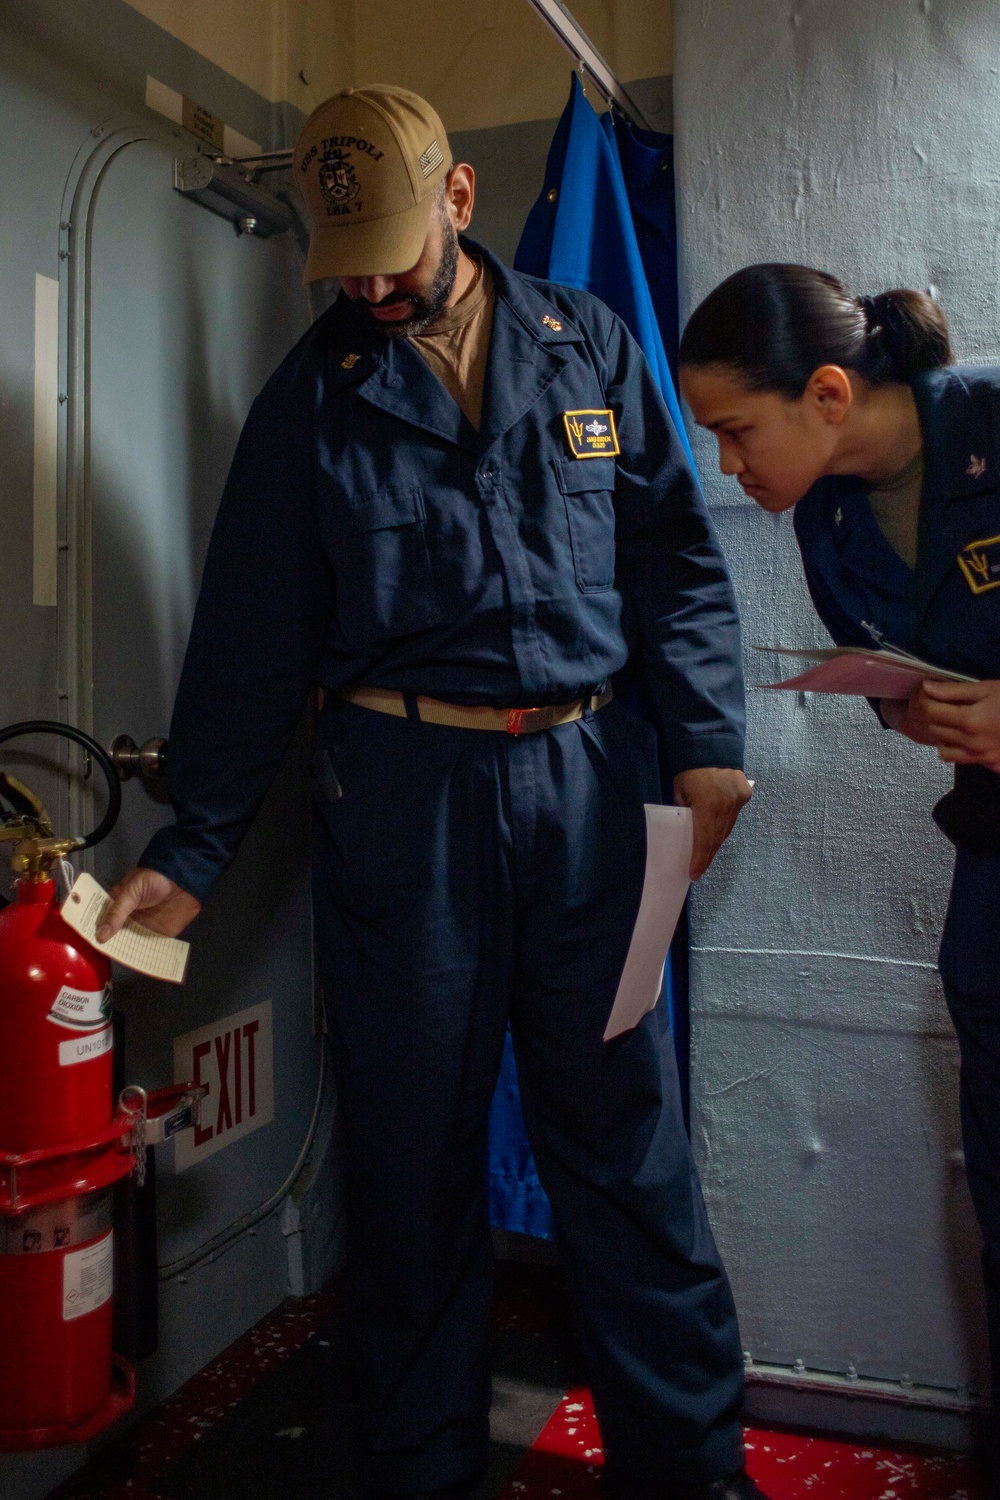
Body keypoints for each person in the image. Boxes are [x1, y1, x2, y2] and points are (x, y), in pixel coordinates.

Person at [101, 86, 763, 1500]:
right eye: (346, 257)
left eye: (395, 245)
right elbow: (250, 643)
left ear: (459, 200)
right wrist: (198, 845)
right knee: (409, 1172)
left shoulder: (584, 343)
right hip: (405, 804)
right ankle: (422, 1472)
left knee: (628, 1153)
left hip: (593, 793)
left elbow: (676, 561)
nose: (372, 281)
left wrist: (705, 739)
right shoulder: (311, 405)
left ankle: (691, 1472)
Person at [679, 262, 1000, 1492]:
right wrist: (923, 712)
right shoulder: (825, 518)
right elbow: (901, 676)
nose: (726, 466)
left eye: (734, 431)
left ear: (824, 391)